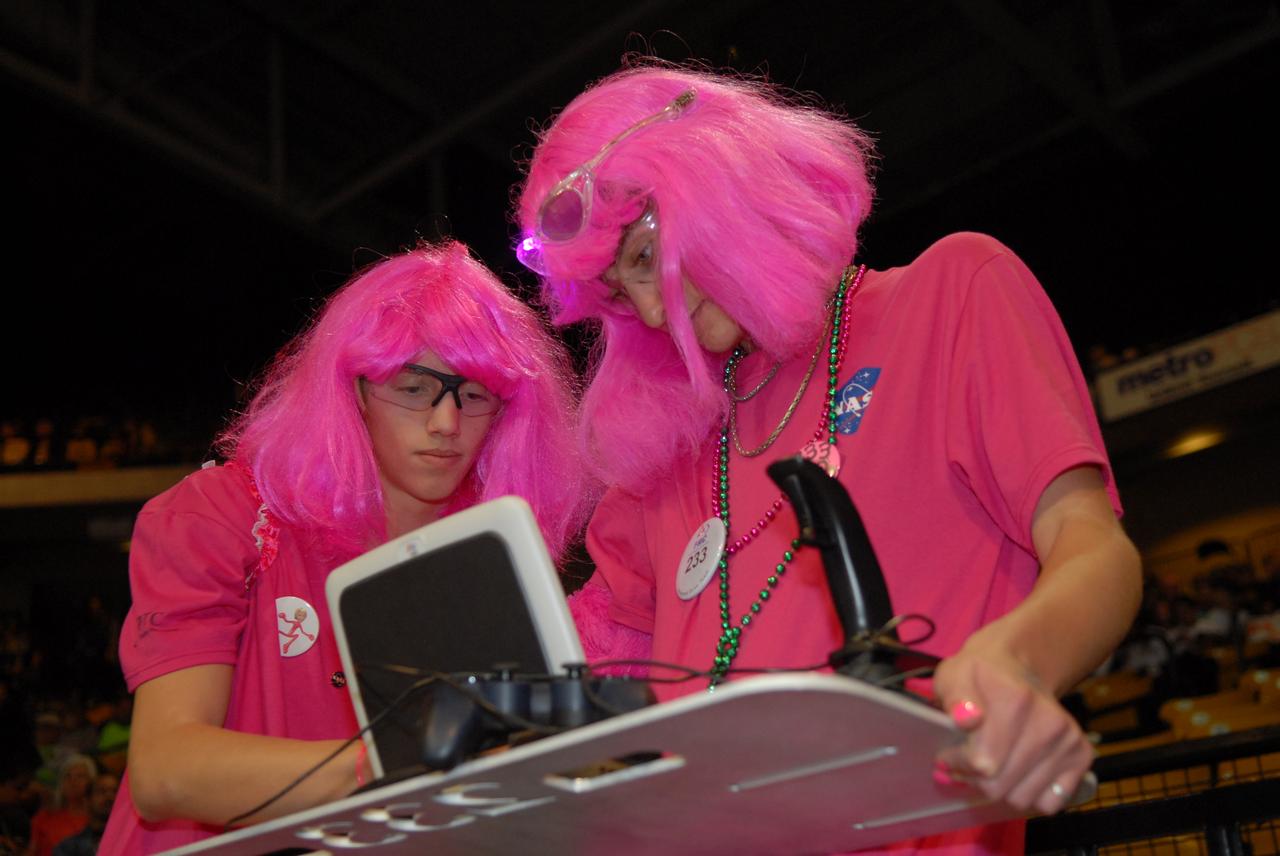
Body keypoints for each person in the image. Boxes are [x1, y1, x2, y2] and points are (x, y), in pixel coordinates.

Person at [515, 63, 1142, 854]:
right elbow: (598, 664)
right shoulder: (668, 450)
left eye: (643, 259)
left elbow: (1094, 547)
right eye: (615, 291)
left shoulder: (949, 296)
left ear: (716, 185)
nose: (645, 310)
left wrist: (1018, 662)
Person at [99, 241, 589, 853]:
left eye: (474, 394)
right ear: (352, 389)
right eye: (413, 387)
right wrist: (395, 769)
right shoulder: (221, 514)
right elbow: (166, 770)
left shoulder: (487, 557)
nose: (445, 423)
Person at [25, 755, 93, 856]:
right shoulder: (44, 817)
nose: (73, 781)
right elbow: (32, 851)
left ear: (92, 782)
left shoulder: (96, 819)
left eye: (80, 776)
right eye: (68, 776)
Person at [50, 773, 118, 856]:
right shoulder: (67, 848)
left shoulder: (134, 841)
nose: (110, 796)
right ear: (87, 801)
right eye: (101, 791)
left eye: (115, 792)